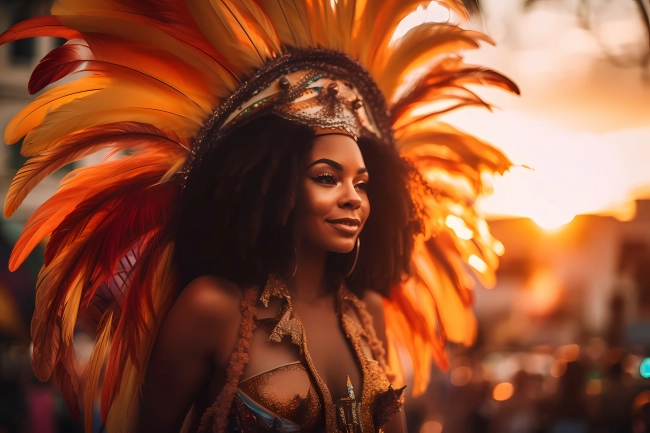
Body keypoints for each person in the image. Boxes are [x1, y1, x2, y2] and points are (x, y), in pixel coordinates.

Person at [0, 1, 518, 432]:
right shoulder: (212, 309)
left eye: (362, 183)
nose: (353, 197)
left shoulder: (369, 314)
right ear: (271, 188)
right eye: (325, 177)